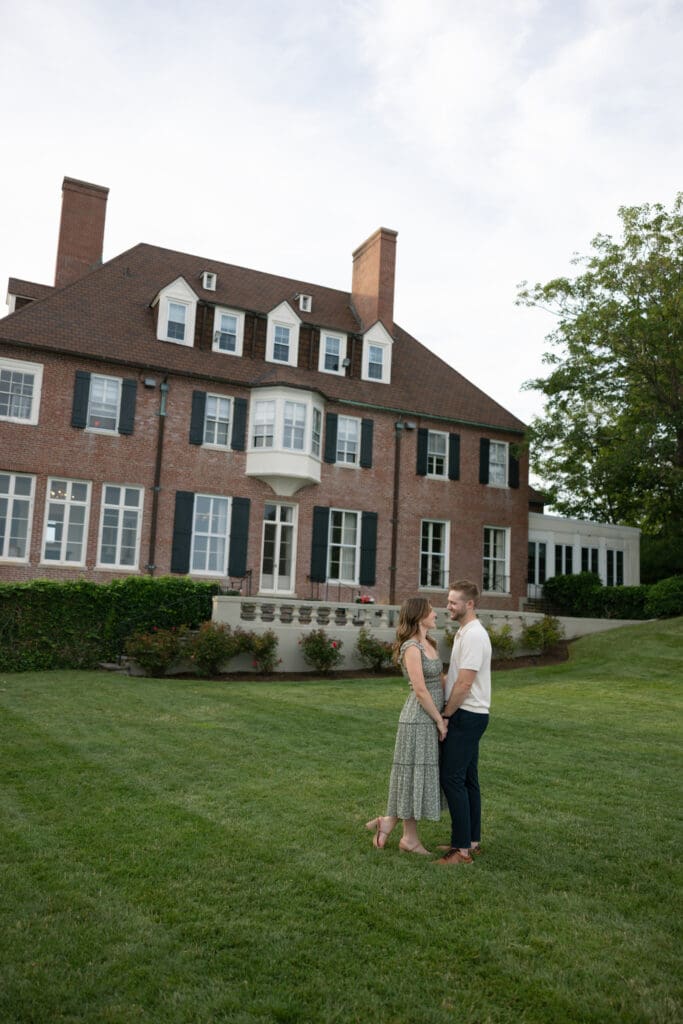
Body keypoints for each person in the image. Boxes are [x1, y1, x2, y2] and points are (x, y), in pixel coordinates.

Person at [365, 597, 448, 855]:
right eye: (431, 611)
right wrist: (438, 719)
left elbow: (441, 681)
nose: (435, 614)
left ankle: (397, 829)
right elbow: (421, 690)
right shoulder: (411, 647)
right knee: (413, 775)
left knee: (417, 776)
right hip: (418, 718)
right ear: (419, 615)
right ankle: (405, 836)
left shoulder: (429, 643)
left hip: (430, 715)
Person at [436, 580, 492, 866]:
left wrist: (446, 714)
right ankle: (470, 840)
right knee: (468, 779)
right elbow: (455, 675)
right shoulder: (464, 632)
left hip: (467, 714)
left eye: (453, 602)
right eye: (448, 601)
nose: (449, 606)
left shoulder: (474, 636)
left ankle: (461, 852)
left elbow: (465, 683)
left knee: (452, 777)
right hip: (469, 713)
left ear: (469, 604)